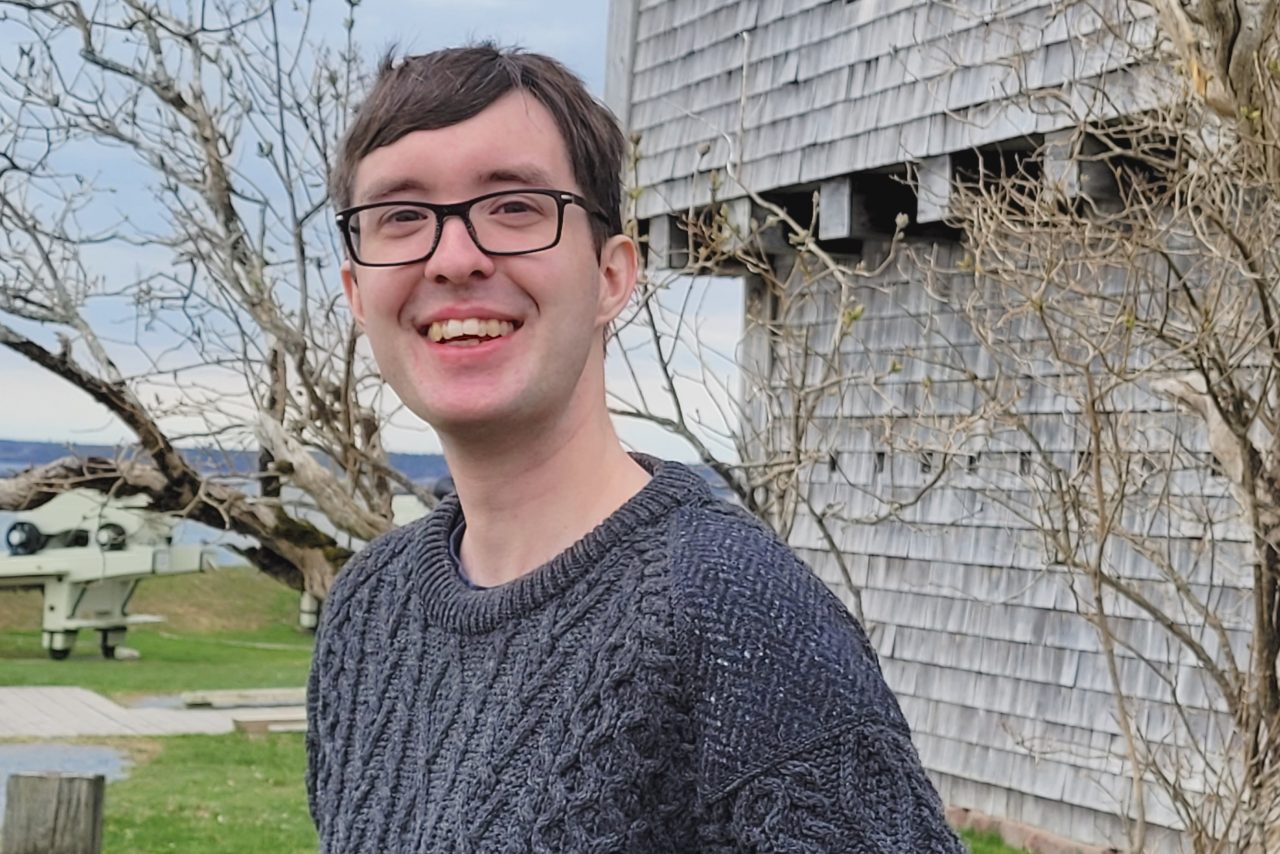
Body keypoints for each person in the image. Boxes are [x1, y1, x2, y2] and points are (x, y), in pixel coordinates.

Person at [306, 43, 964, 853]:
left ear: (612, 276)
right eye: (402, 216)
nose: (454, 259)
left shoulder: (730, 610)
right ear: (357, 294)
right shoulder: (367, 608)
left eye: (513, 206)